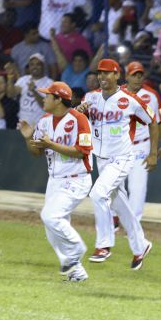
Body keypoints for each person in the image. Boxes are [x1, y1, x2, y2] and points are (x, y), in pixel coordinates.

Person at [77, 59, 156, 269]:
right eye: (100, 72)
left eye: (108, 72)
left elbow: (152, 120)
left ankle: (103, 245)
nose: (102, 76)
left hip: (122, 157)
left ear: (117, 75)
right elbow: (80, 119)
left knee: (97, 193)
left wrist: (153, 153)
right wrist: (80, 111)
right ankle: (141, 245)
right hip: (101, 159)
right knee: (120, 205)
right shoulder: (90, 97)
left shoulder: (129, 99)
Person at [18, 82, 92, 282]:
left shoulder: (79, 119)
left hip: (77, 178)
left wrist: (51, 144)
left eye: (48, 96)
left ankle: (77, 248)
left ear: (59, 99)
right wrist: (28, 138)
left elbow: (82, 151)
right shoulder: (44, 121)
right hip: (55, 180)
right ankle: (76, 271)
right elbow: (36, 152)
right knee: (52, 227)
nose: (44, 99)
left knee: (50, 216)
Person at [122, 62, 161, 222]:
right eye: (134, 75)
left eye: (140, 75)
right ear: (127, 76)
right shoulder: (117, 94)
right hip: (119, 146)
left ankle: (133, 223)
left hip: (141, 145)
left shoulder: (152, 95)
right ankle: (114, 218)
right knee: (113, 185)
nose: (137, 78)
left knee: (137, 187)